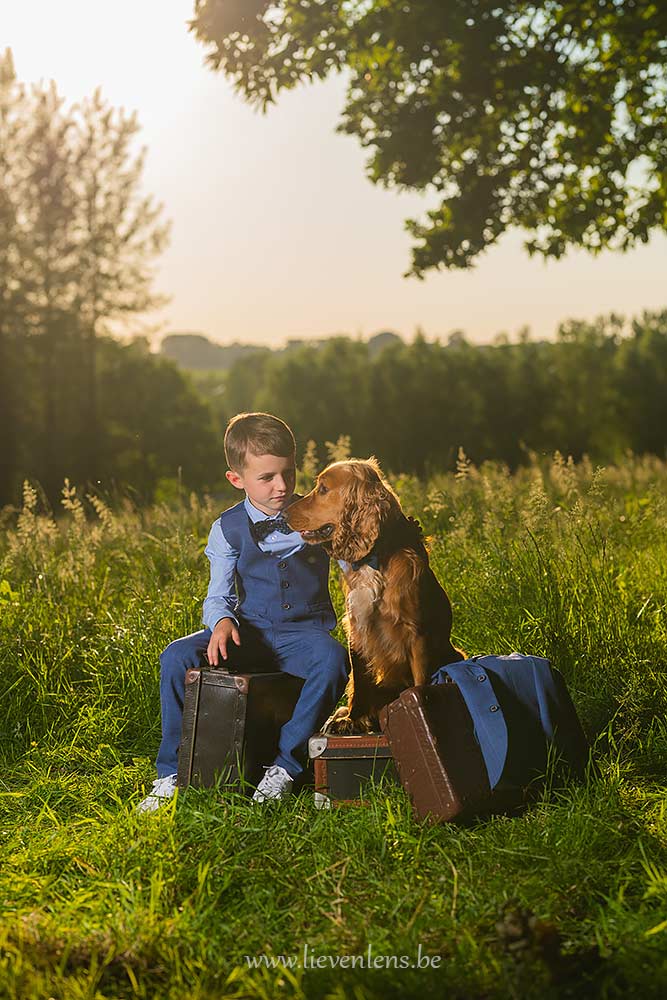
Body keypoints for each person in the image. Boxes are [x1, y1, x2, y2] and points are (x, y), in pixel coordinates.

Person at [137, 412, 348, 811]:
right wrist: (221, 622)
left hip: (303, 635)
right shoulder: (227, 527)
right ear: (237, 480)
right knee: (176, 655)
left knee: (334, 658)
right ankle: (170, 773)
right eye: (267, 478)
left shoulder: (320, 514)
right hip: (249, 631)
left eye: (288, 473)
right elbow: (218, 594)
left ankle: (285, 767)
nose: (282, 486)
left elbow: (352, 566)